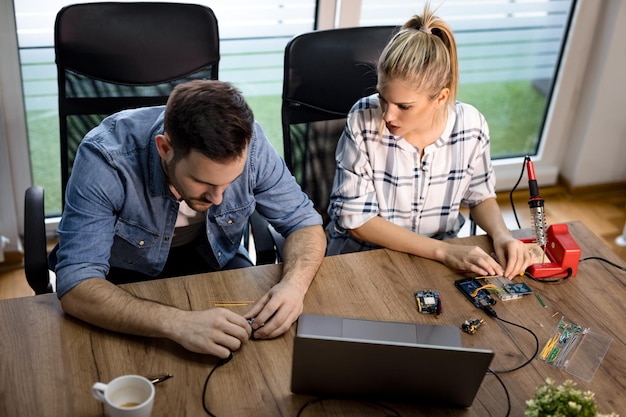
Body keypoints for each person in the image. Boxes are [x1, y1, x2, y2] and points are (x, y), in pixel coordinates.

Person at [49, 80, 326, 359]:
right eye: (202, 182)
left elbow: (303, 222)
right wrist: (176, 322)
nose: (217, 199)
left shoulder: (251, 145)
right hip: (123, 274)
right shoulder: (106, 159)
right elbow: (77, 284)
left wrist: (294, 285)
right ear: (165, 148)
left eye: (229, 182)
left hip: (212, 256)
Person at [326, 3, 534, 278]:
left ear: (441, 98)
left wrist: (502, 235)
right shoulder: (363, 119)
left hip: (438, 264)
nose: (388, 115)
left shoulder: (471, 126)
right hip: (365, 260)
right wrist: (443, 251)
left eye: (404, 106)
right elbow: (356, 220)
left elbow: (480, 196)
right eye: (382, 98)